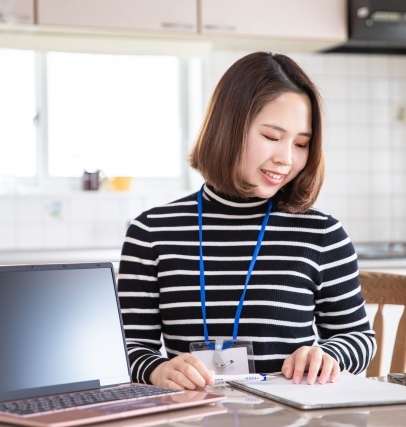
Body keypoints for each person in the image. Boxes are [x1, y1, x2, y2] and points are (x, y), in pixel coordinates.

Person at [118, 52, 376, 391]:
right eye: (271, 136)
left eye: (301, 144)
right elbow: (129, 347)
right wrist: (156, 369)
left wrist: (329, 355)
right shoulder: (151, 232)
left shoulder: (322, 234)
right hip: (192, 417)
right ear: (228, 127)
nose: (286, 159)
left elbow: (357, 336)